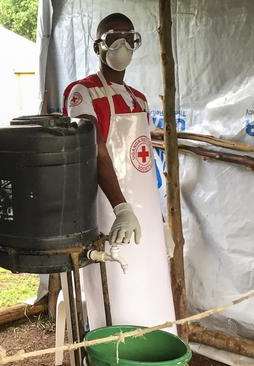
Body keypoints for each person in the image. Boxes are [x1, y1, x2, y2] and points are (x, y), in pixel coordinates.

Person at [63, 13, 176, 333]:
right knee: (118, 297)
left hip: (144, 217)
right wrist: (122, 209)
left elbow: (144, 163)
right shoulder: (82, 93)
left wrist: (157, 219)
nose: (123, 46)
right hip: (108, 212)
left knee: (154, 297)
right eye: (114, 38)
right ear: (99, 45)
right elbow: (95, 151)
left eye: (130, 38)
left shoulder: (138, 98)